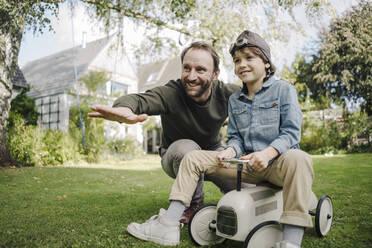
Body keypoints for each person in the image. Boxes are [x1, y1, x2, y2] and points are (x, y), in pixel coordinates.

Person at [126, 30, 313, 248]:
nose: (242, 64)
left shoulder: (283, 90)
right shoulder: (235, 100)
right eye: (237, 60)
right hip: (246, 166)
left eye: (249, 58)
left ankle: (290, 241)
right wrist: (230, 151)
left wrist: (268, 153)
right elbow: (236, 138)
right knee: (193, 157)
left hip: (278, 165)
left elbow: (291, 133)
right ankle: (168, 224)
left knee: (300, 158)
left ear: (266, 62)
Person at [88, 41, 241, 224]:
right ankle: (193, 205)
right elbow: (138, 100)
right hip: (177, 155)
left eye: (200, 70)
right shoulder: (172, 92)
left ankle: (236, 199)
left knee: (248, 188)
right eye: (186, 68)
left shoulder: (227, 93)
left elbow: (257, 95)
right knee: (188, 149)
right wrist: (124, 109)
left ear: (215, 74)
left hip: (213, 155)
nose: (191, 76)